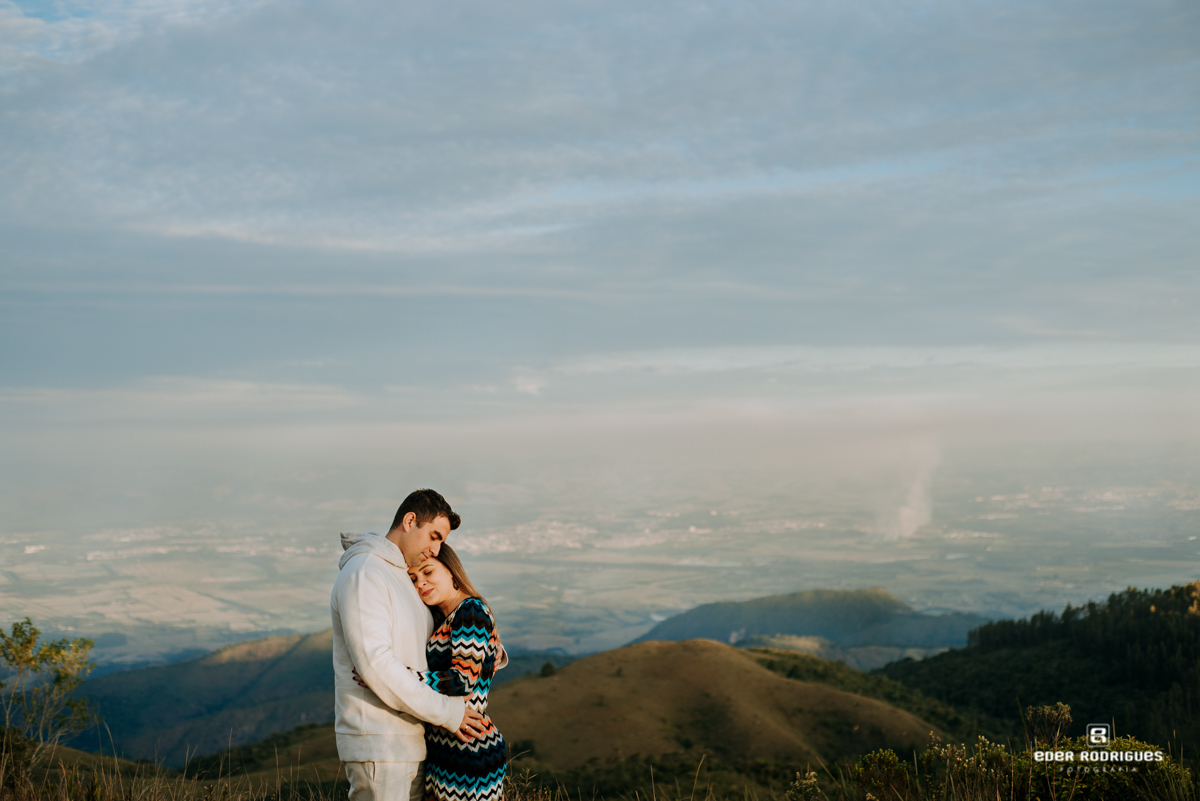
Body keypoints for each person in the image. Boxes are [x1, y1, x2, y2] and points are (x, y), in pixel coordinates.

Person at [331, 489, 488, 801]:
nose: (435, 549)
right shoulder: (366, 573)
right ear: (409, 520)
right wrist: (448, 713)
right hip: (380, 741)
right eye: (433, 536)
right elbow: (376, 665)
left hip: (410, 741)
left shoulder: (402, 576)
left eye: (441, 541)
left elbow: (431, 645)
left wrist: (485, 648)